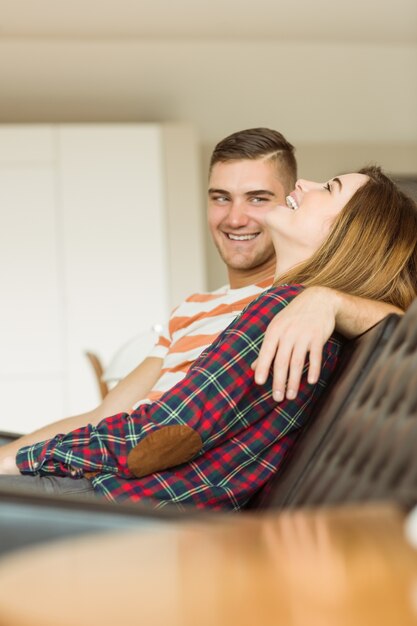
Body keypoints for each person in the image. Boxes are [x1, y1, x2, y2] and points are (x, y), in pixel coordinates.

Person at [1, 165, 416, 511]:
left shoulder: (283, 311)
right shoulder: (298, 313)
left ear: (349, 234)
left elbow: (153, 438)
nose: (304, 184)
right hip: (123, 501)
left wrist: (24, 459)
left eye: (329, 188)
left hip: (117, 505)